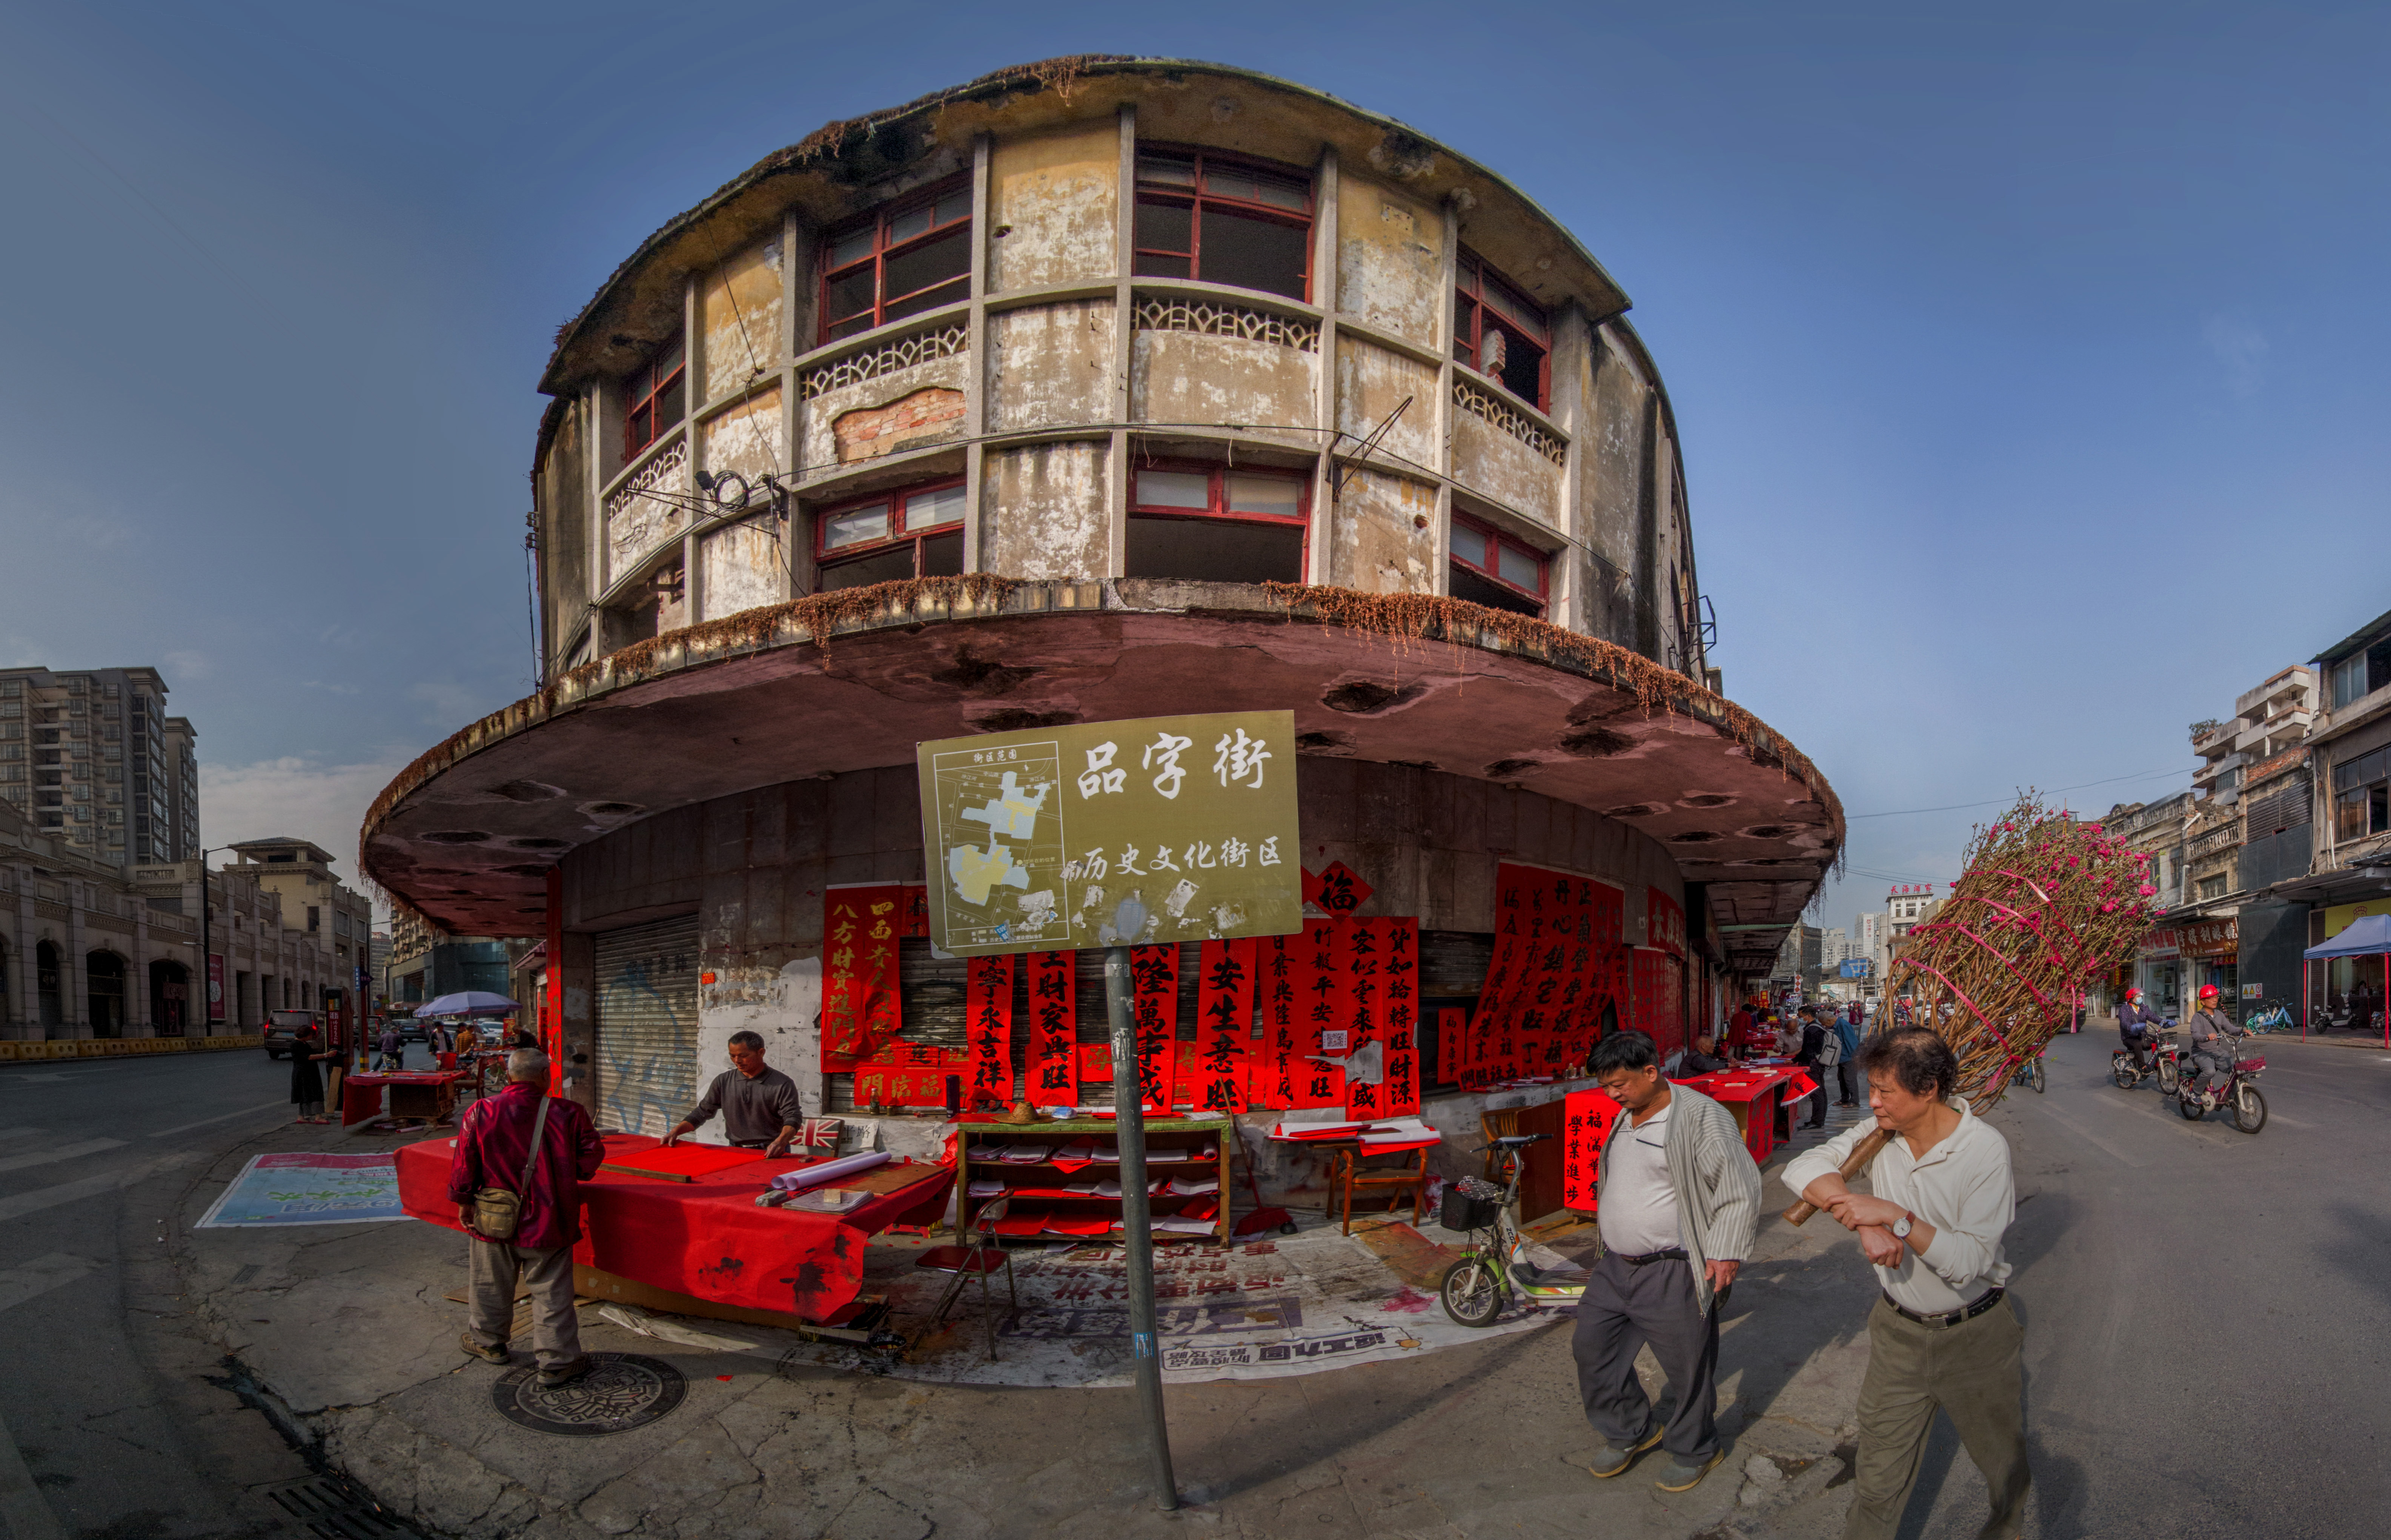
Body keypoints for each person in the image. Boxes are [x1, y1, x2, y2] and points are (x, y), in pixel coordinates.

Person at [1784, 1027, 2025, 1540]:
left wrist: (1894, 1216)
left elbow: (1966, 1262)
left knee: (2001, 1463)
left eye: (1884, 1091)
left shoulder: (1983, 1150)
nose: (1871, 1101)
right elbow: (1804, 1167)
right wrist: (1863, 1220)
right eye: (1871, 1087)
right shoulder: (1879, 1133)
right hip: (1897, 1333)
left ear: (1928, 1088)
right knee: (1876, 1476)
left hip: (1975, 1335)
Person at [1574, 1030, 1762, 1493]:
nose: (1612, 1093)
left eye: (1619, 1083)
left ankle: (1695, 1448)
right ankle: (1630, 1429)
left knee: (1686, 1369)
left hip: (1671, 1267)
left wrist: (1725, 1251)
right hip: (1615, 1266)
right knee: (1592, 1349)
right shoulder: (1627, 1114)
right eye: (1605, 1085)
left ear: (1650, 1071)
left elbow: (1738, 1185)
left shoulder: (1700, 1116)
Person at [449, 1049, 604, 1386]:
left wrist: (464, 1202)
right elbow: (592, 1156)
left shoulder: (481, 1110)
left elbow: (464, 1164)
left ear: (509, 1076)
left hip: (495, 1215)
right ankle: (557, 1362)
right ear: (546, 1077)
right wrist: (567, 1171)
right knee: (551, 1291)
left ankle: (489, 1343)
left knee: (490, 1283)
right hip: (551, 1216)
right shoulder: (569, 1112)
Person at [662, 1030, 803, 1155]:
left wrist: (781, 1142)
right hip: (735, 1149)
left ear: (761, 1053)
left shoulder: (782, 1083)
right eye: (733, 1056)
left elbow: (793, 1118)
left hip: (771, 1151)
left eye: (743, 1056)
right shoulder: (723, 1081)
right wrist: (676, 1131)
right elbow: (702, 1112)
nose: (737, 1061)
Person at [2183, 985, 2242, 1106]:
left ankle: (2231, 1097)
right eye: (2211, 998)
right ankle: (2195, 1092)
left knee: (2238, 1069)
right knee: (2210, 1071)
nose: (2215, 1000)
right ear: (2203, 1002)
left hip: (2217, 1051)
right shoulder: (2197, 1017)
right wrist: (2206, 1037)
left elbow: (2230, 1029)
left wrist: (2242, 1032)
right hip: (2201, 1053)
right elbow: (2195, 1035)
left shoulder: (2219, 1015)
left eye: (2216, 997)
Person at [288, 1023, 335, 1123]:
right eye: (311, 1035)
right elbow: (309, 1057)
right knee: (315, 1093)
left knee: (305, 1094)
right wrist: (326, 1055)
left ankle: (301, 1117)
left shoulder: (304, 1043)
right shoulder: (296, 1044)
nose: (312, 1037)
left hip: (309, 1071)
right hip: (304, 1073)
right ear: (306, 1035)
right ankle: (318, 1117)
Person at [1795, 1007, 1830, 1130]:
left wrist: (1796, 1060)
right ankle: (1819, 1120)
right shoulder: (1817, 1027)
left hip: (1812, 1064)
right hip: (1818, 1063)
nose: (1800, 1019)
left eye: (1801, 1016)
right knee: (1821, 1092)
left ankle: (1817, 1121)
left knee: (1816, 1094)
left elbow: (1807, 1050)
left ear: (1808, 1016)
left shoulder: (1812, 1030)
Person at [2116, 987, 2161, 1074]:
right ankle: (2143, 1067)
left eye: (2141, 996)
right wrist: (2131, 1027)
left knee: (2158, 1040)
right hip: (2129, 1037)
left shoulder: (2144, 1008)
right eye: (2138, 996)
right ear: (2131, 998)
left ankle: (2157, 1064)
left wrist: (2163, 1022)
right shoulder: (2124, 1009)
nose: (2141, 998)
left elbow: (2153, 1017)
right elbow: (2124, 1022)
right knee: (2137, 1044)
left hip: (2142, 1036)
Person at [1834, 1007, 1863, 1107]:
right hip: (1841, 1058)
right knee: (1842, 1080)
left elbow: (1852, 1042)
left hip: (1849, 1058)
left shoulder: (1843, 1025)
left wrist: (1856, 1055)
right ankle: (1845, 1099)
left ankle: (1855, 1101)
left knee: (1850, 1080)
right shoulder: (1834, 1026)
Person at [1663, 1032, 1727, 1078]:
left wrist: (1728, 1062)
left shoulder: (1702, 1055)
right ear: (1704, 1046)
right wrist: (1728, 1065)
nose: (1714, 1046)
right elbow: (1708, 1066)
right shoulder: (1695, 1057)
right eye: (1712, 1044)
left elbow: (1713, 1062)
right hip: (1689, 1086)